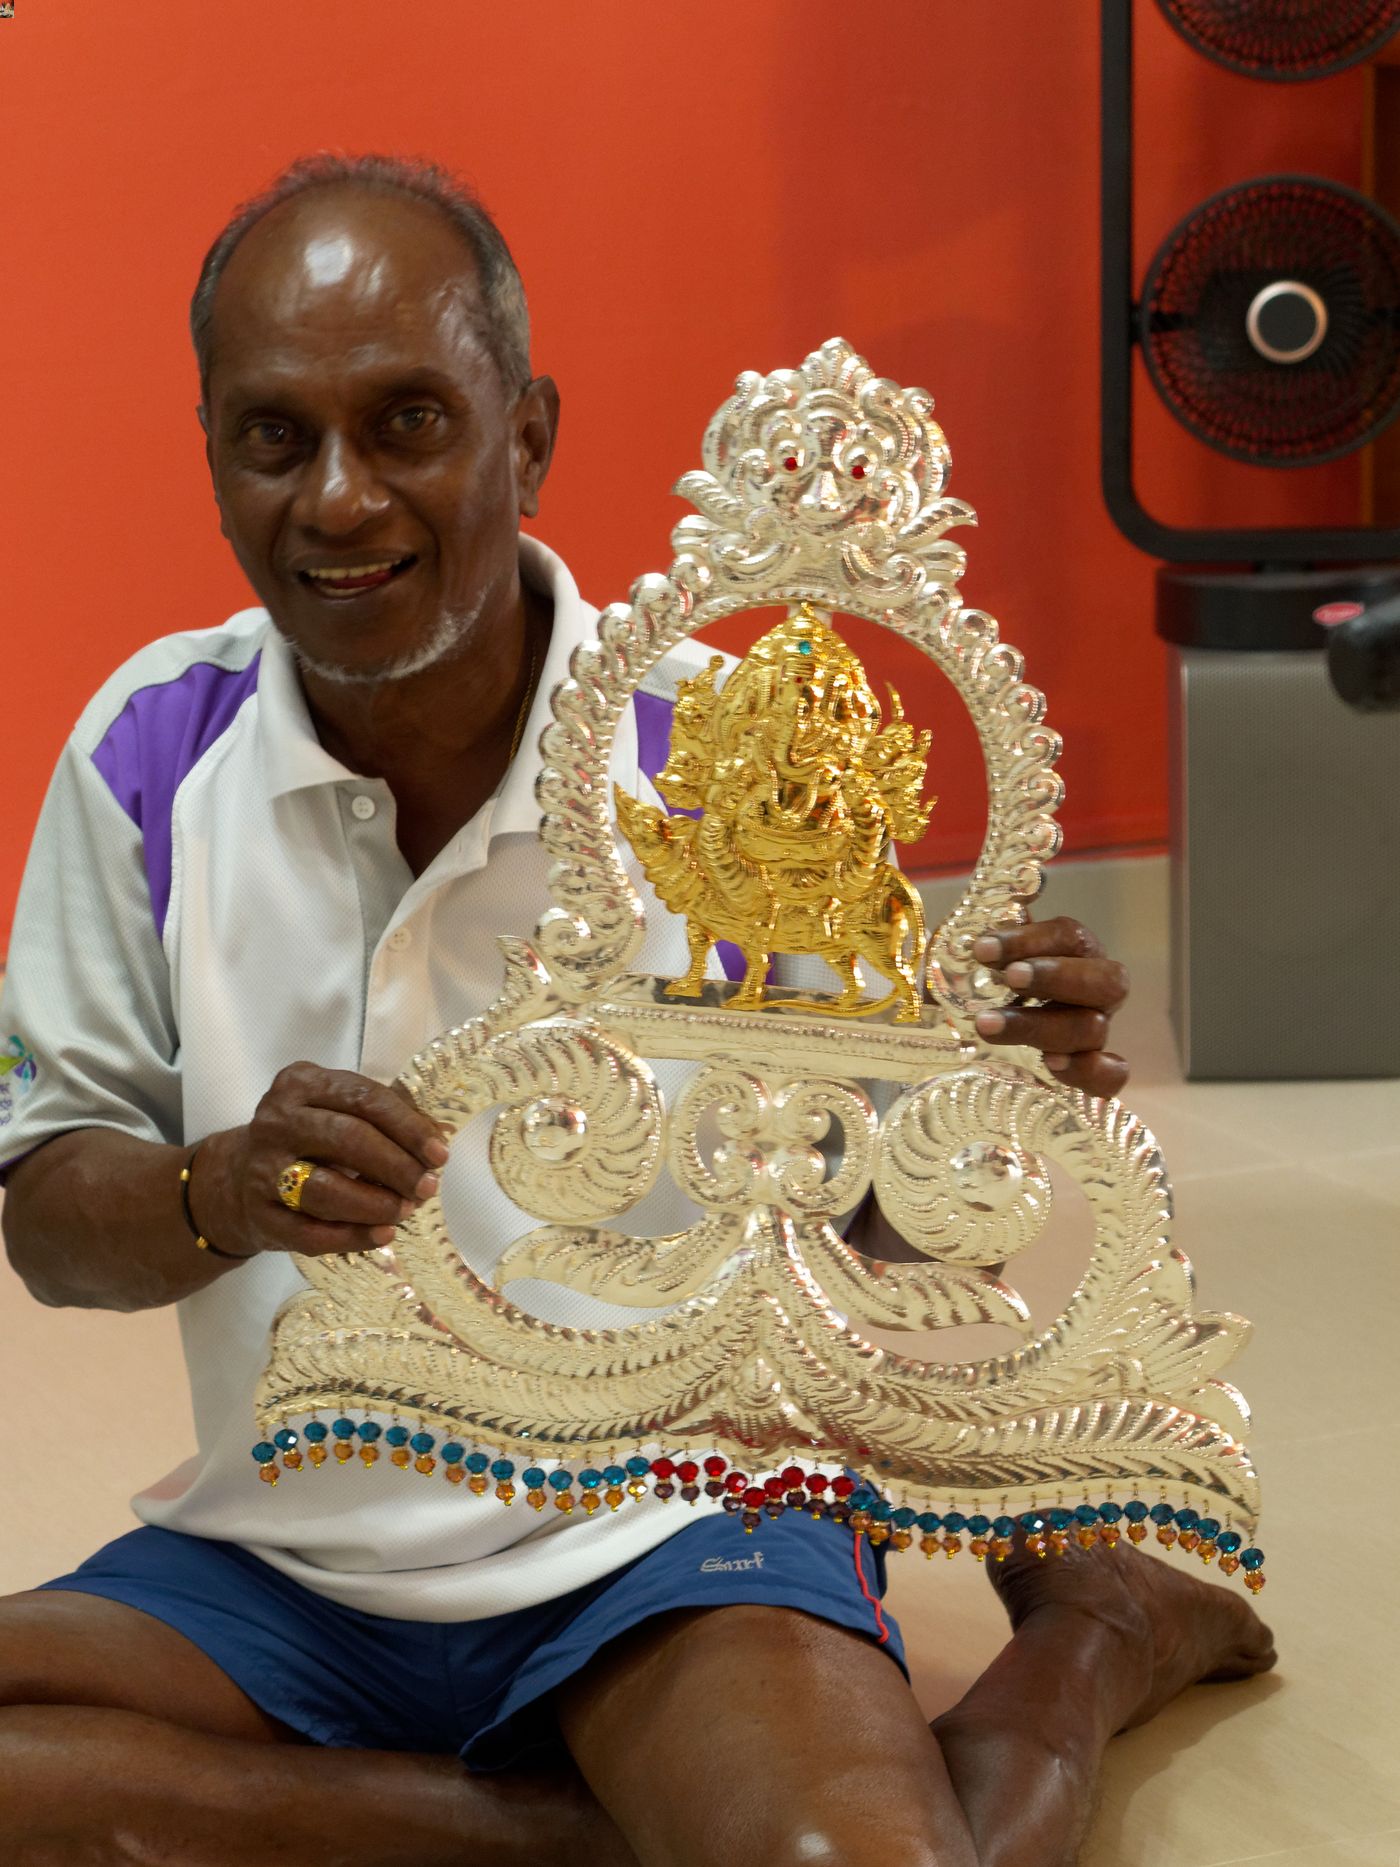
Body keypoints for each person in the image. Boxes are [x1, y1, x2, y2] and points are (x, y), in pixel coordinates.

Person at [0, 155, 1275, 1867]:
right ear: (215, 449)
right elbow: (50, 1214)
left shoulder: (729, 756)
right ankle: (569, 1836)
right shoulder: (151, 752)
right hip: (292, 1544)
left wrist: (977, 1094)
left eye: (407, 423)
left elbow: (880, 1225)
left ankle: (1088, 1641)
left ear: (527, 435)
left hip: (672, 1530)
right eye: (274, 437)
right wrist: (210, 1188)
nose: (340, 501)